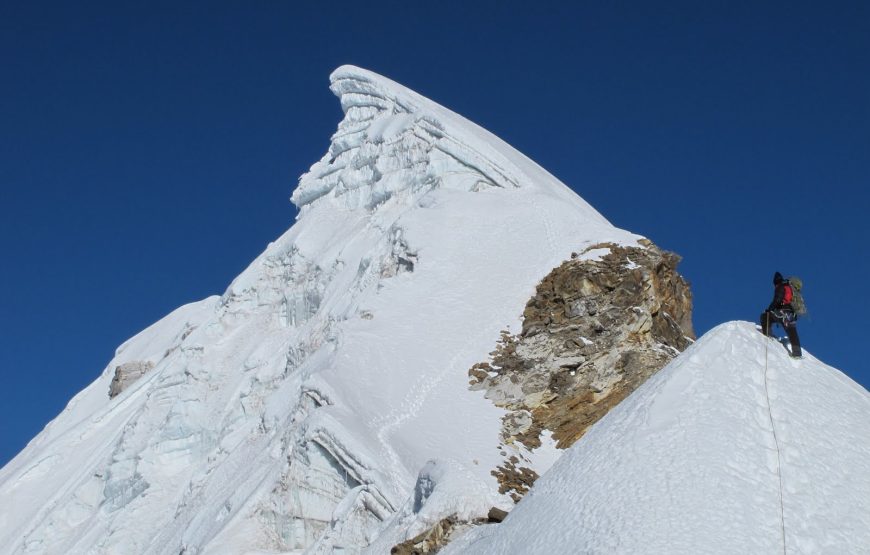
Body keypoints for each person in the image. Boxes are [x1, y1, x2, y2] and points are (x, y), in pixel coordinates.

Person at [760, 272, 802, 358]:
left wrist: (769, 309)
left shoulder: (780, 287)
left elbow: (777, 300)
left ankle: (767, 335)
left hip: (783, 312)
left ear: (775, 283)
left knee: (765, 316)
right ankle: (797, 353)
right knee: (792, 332)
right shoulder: (789, 288)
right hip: (791, 314)